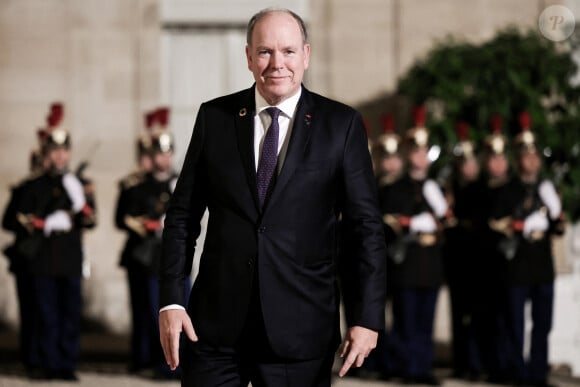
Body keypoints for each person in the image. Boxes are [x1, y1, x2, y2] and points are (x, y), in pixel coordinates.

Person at [158, 7, 387, 387]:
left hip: (300, 332)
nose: (276, 63)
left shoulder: (341, 125)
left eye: (288, 51)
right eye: (264, 52)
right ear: (248, 57)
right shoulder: (215, 118)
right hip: (214, 329)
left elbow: (365, 230)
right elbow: (182, 216)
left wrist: (366, 317)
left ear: (306, 55)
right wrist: (171, 300)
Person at [8, 103, 97, 381]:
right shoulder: (33, 187)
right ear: (47, 153)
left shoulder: (77, 184)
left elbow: (90, 220)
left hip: (70, 258)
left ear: (69, 153)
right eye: (55, 151)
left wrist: (80, 203)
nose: (60, 156)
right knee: (46, 315)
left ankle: (66, 364)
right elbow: (15, 218)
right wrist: (43, 222)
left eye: (64, 151)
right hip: (43, 259)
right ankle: (47, 363)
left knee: (70, 315)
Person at [116, 107, 186, 378]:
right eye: (159, 154)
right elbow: (124, 218)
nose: (164, 159)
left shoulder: (179, 182)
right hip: (147, 257)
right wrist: (148, 225)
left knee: (178, 309)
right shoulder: (138, 186)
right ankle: (151, 359)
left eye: (168, 154)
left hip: (173, 255)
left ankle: (173, 363)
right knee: (148, 311)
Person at [381, 107, 448, 385]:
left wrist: (427, 218)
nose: (421, 156)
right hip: (406, 263)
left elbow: (445, 221)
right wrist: (420, 222)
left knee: (426, 319)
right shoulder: (396, 189)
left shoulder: (435, 187)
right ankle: (408, 367)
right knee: (406, 319)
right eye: (416, 151)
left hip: (429, 261)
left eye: (424, 151)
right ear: (409, 154)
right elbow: (395, 221)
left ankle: (422, 367)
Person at [499, 112, 564, 387]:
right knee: (515, 322)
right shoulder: (508, 190)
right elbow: (499, 223)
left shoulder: (547, 188)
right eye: (526, 155)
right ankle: (517, 371)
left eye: (535, 155)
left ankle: (538, 372)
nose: (532, 159)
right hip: (518, 265)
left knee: (543, 323)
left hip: (541, 264)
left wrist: (554, 214)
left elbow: (559, 228)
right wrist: (523, 224)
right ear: (518, 159)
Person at [1, 126, 49, 377]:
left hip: (45, 259)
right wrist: (29, 222)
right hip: (27, 259)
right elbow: (8, 221)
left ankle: (42, 358)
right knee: (29, 312)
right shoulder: (23, 189)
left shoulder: (55, 187)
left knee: (44, 313)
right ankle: (31, 358)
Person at [442, 121, 483, 380]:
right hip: (457, 259)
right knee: (458, 314)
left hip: (478, 261)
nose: (467, 166)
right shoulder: (452, 189)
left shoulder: (482, 189)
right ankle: (462, 362)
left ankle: (477, 363)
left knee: (478, 315)